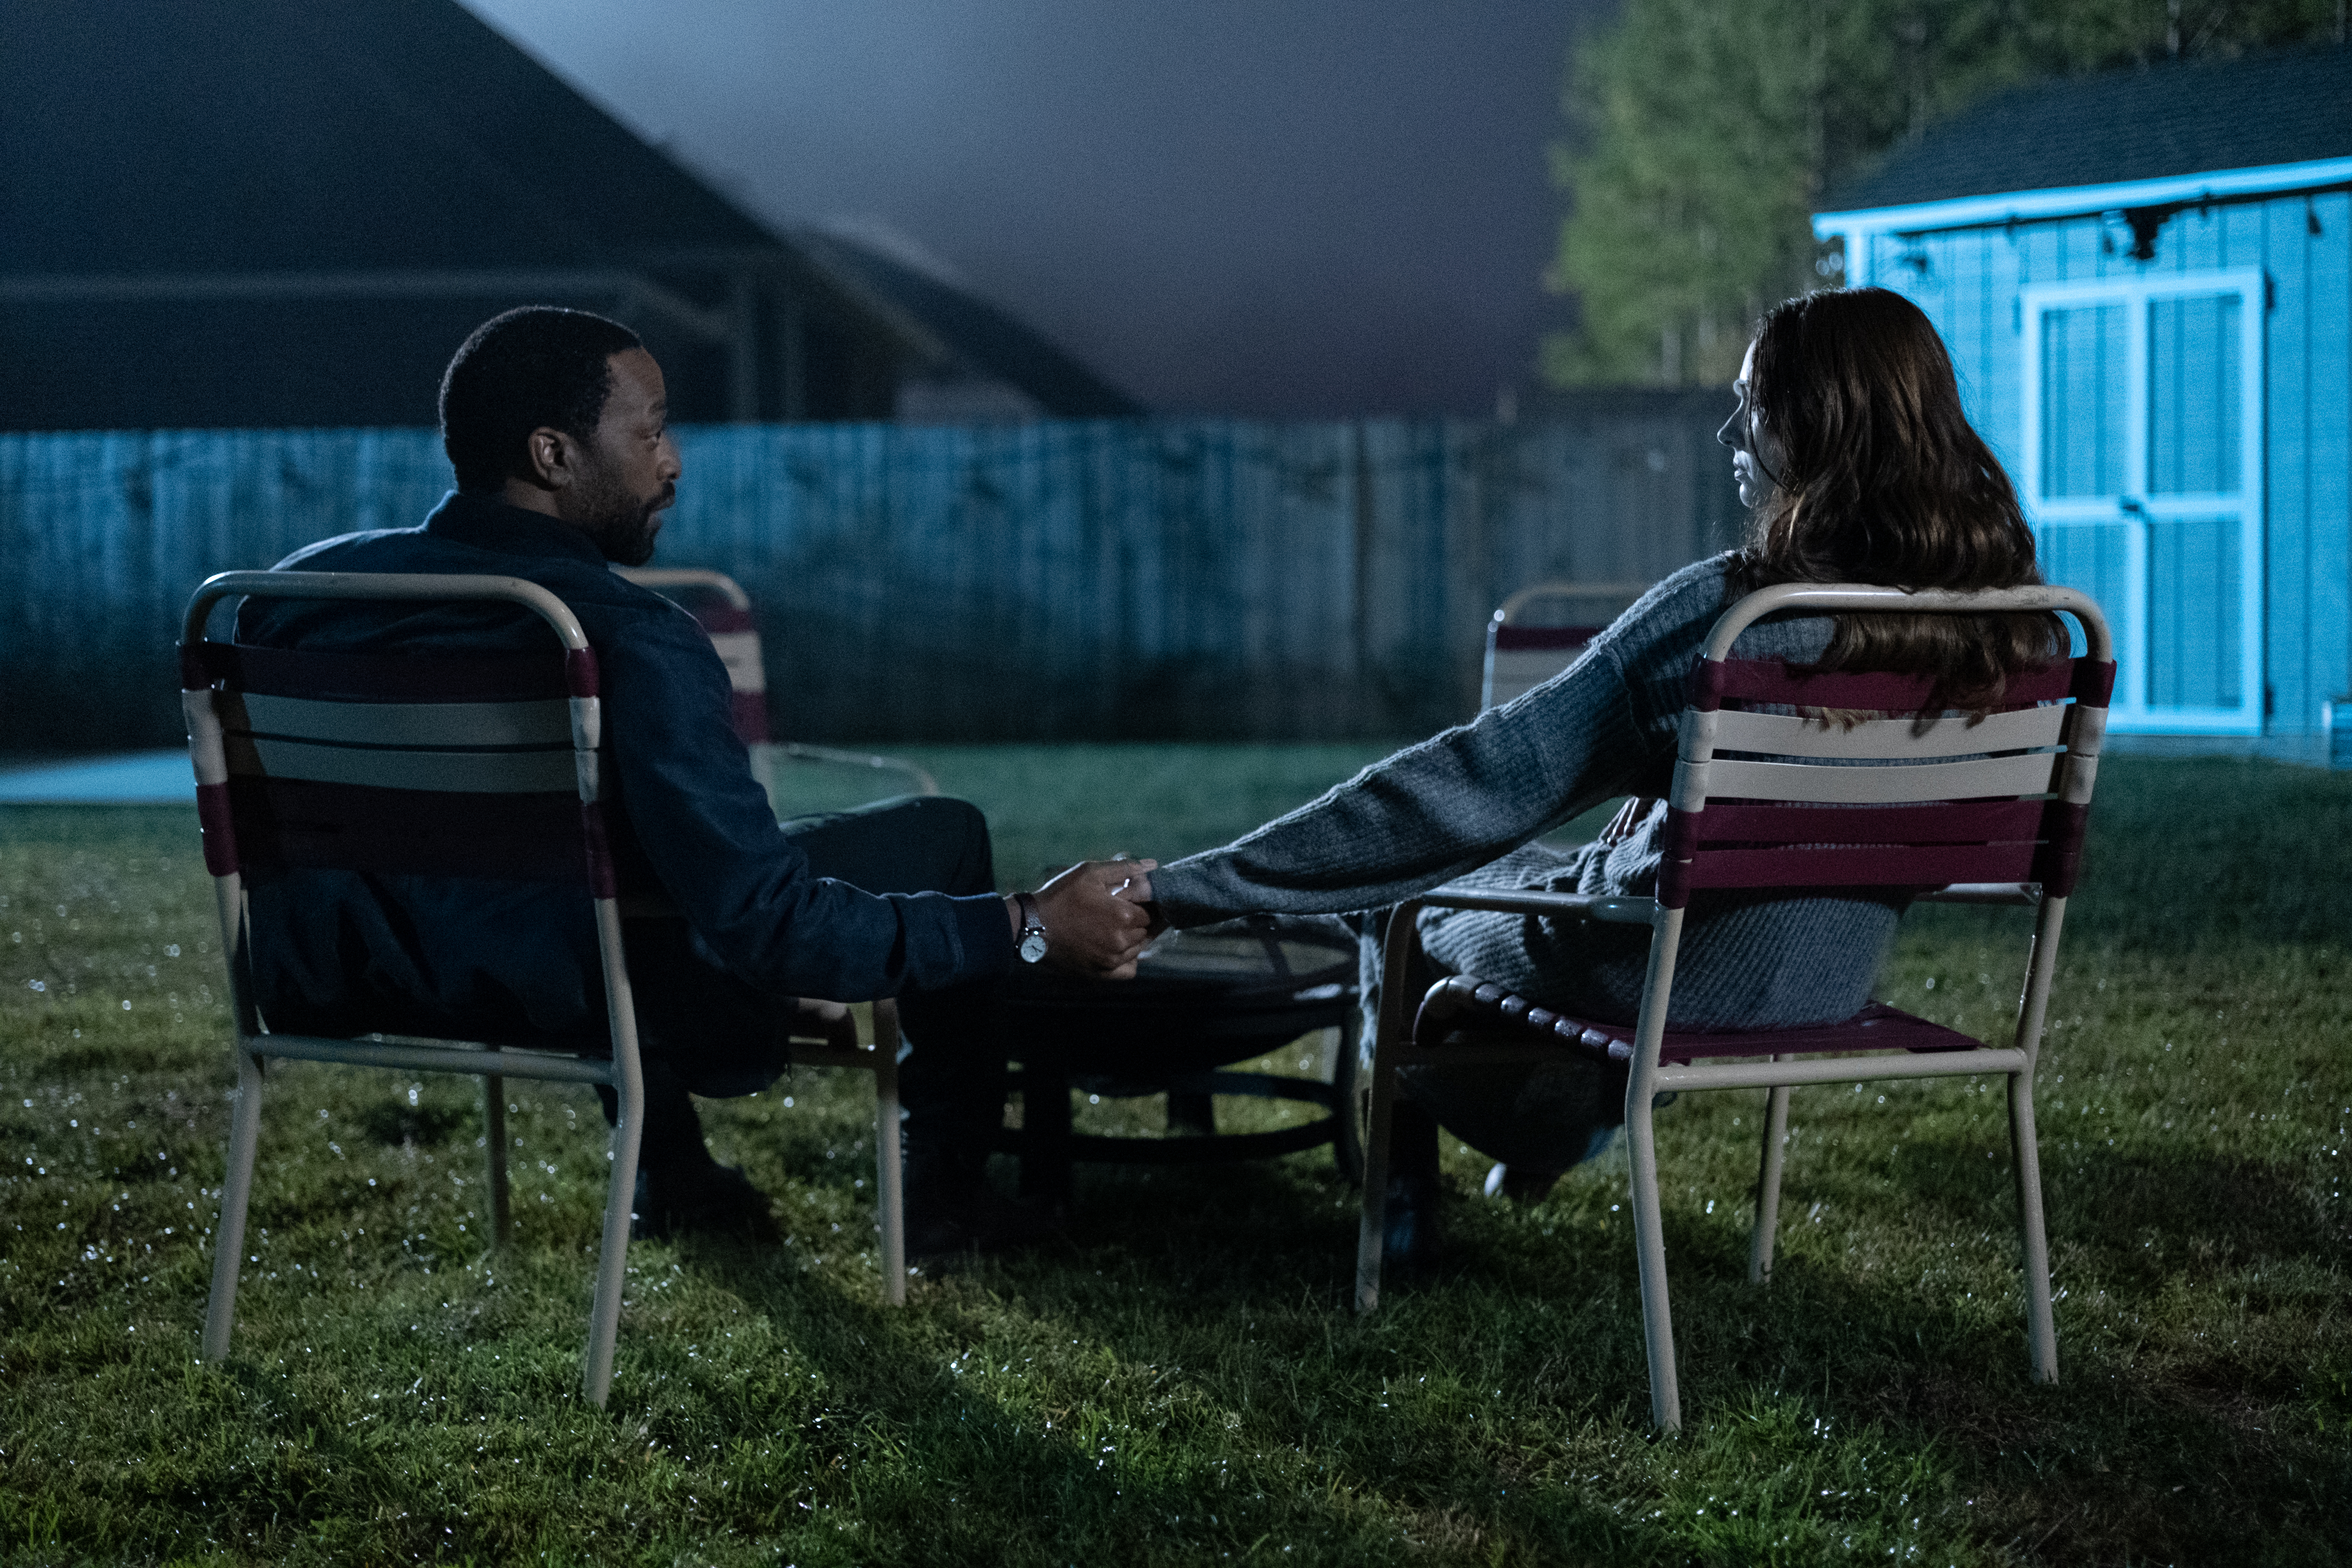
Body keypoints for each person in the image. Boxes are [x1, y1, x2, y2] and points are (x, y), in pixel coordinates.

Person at [1127, 287, 2062, 1260]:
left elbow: (1476, 781)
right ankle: (1540, 1131)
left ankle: (1405, 1203)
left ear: (1816, 424)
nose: (1730, 431)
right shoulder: (2010, 632)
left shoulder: (1731, 621)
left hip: (1664, 977)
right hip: (1825, 984)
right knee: (1544, 872)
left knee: (1401, 886)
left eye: (1753, 406)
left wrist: (1185, 890)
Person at [234, 306, 1153, 1256]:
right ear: (553, 453)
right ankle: (946, 1198)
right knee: (945, 831)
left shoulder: (294, 599)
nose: (673, 461)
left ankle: (674, 1170)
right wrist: (1032, 926)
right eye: (652, 430)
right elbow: (770, 927)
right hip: (596, 985)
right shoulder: (632, 637)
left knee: (607, 862)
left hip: (345, 975)